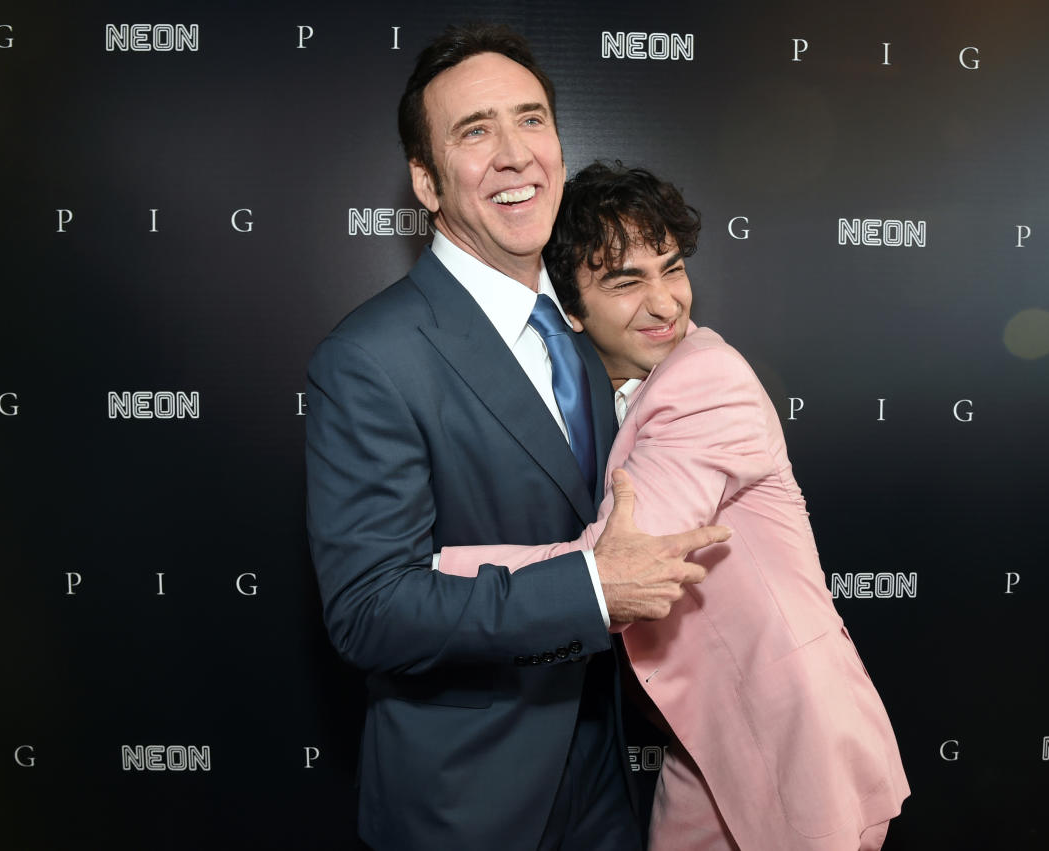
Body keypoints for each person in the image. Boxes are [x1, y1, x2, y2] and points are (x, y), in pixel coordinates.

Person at [305, 25, 729, 851]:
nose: (514, 154)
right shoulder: (369, 359)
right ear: (426, 183)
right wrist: (592, 592)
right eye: (475, 131)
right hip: (466, 806)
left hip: (607, 785)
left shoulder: (589, 331)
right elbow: (368, 608)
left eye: (531, 120)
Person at [436, 163, 911, 850]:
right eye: (627, 281)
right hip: (708, 739)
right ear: (569, 307)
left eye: (672, 268)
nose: (665, 304)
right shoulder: (612, 394)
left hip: (791, 738)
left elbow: (620, 564)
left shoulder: (707, 379)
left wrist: (427, 568)